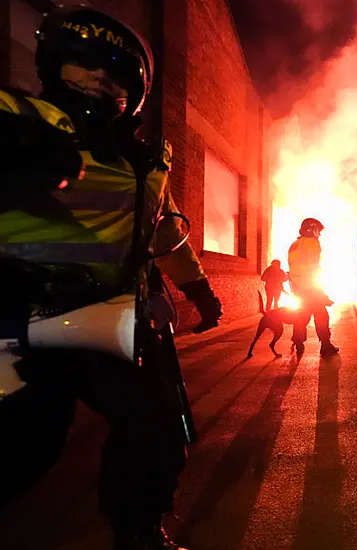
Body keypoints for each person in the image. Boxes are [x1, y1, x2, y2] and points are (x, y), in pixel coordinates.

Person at [0, 7, 224, 549]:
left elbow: (166, 234)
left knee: (156, 431)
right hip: (17, 316)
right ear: (55, 65)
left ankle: (141, 534)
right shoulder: (16, 113)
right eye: (84, 63)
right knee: (25, 441)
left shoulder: (144, 162)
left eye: (117, 72)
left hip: (104, 316)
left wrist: (198, 289)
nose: (101, 77)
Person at [287, 218, 339, 356]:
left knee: (302, 316)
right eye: (318, 231)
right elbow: (313, 267)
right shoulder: (312, 243)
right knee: (322, 316)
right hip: (311, 287)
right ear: (312, 229)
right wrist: (320, 291)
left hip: (298, 288)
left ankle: (298, 341)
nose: (319, 235)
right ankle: (326, 346)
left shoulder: (295, 244)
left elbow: (293, 267)